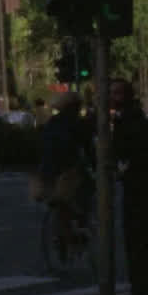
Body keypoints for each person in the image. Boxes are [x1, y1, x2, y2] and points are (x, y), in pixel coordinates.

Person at [109, 78, 148, 295]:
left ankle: (142, 288)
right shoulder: (133, 117)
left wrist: (119, 165)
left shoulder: (129, 120)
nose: (112, 98)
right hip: (141, 183)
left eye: (116, 93)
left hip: (137, 185)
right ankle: (144, 287)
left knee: (137, 238)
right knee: (141, 238)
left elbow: (125, 150)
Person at [39, 95, 93, 252]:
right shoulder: (78, 124)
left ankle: (63, 232)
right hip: (67, 170)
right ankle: (80, 223)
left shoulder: (52, 123)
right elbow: (88, 149)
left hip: (48, 172)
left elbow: (43, 147)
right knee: (86, 190)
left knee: (60, 203)